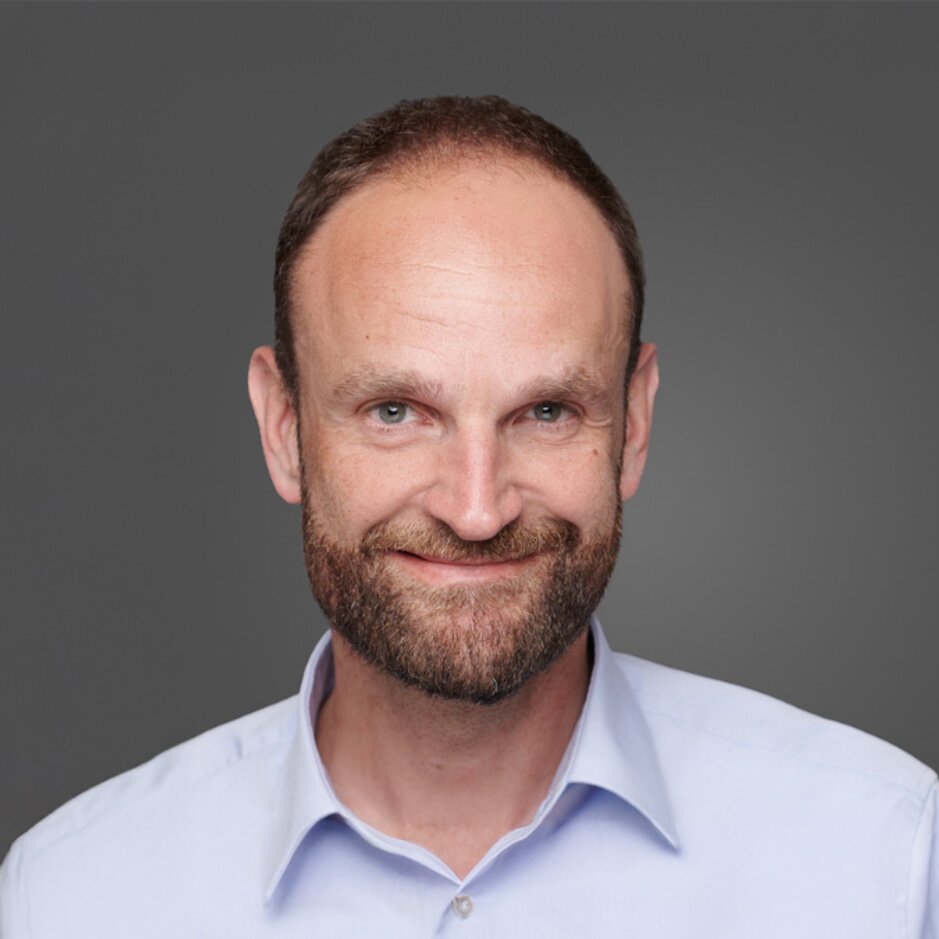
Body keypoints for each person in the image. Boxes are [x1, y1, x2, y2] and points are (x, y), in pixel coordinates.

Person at [1, 95, 935, 938]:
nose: (477, 508)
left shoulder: (885, 858)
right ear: (283, 428)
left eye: (546, 411)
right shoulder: (69, 898)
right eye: (395, 411)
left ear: (634, 423)